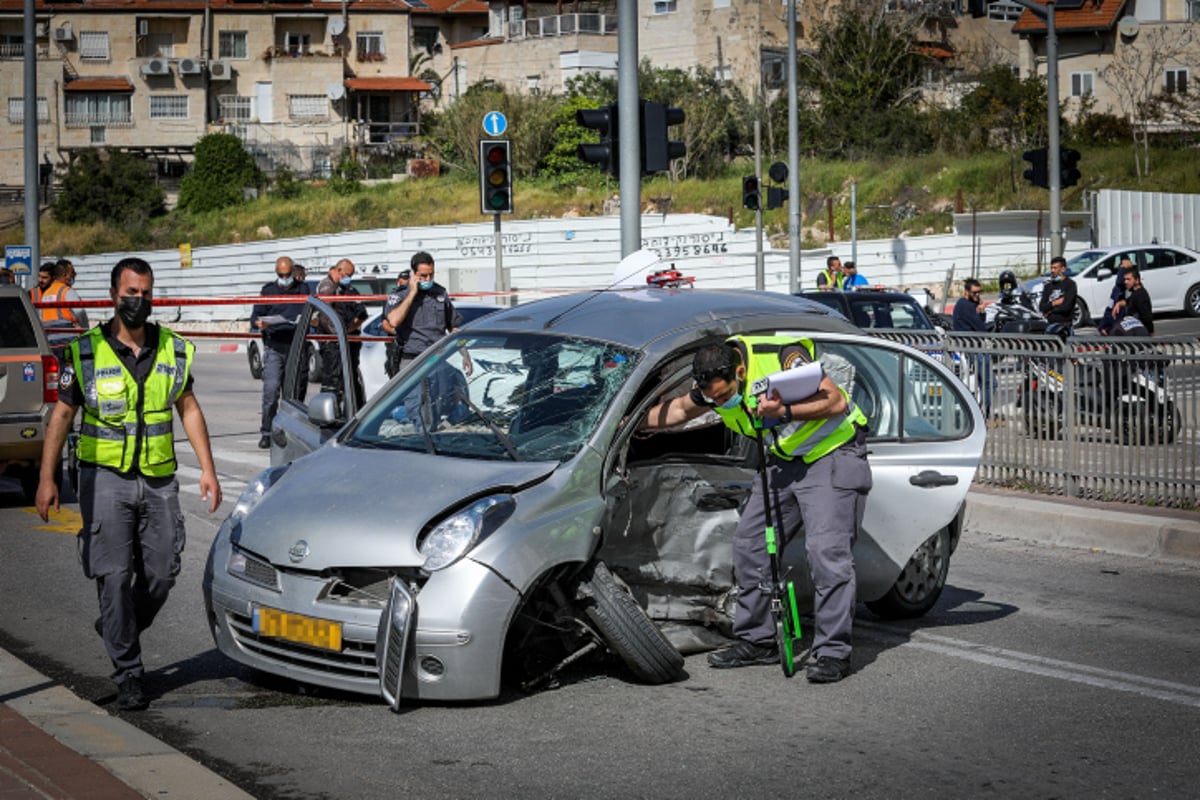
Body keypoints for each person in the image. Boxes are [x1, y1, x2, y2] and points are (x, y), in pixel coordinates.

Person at [34, 257, 222, 711]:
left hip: (158, 480)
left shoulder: (173, 350)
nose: (138, 301)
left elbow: (188, 408)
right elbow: (62, 414)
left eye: (145, 293)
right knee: (114, 577)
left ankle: (119, 625)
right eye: (130, 293)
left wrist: (208, 469)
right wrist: (47, 478)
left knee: (161, 575)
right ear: (115, 293)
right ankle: (129, 673)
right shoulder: (85, 351)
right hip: (105, 482)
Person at [640, 336, 870, 683]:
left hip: (831, 455)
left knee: (826, 554)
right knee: (750, 546)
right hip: (783, 461)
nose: (719, 402)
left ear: (741, 370)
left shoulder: (779, 358)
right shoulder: (712, 385)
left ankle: (832, 652)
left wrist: (784, 412)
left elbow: (835, 401)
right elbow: (678, 411)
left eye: (723, 394)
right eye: (713, 398)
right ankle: (758, 640)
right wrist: (622, 423)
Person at [250, 255, 311, 449]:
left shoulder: (303, 289)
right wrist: (260, 323)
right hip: (274, 345)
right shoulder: (268, 291)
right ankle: (267, 431)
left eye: (287, 275)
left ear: (293, 272)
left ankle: (291, 431)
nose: (285, 279)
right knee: (271, 391)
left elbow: (309, 314)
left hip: (295, 345)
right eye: (281, 275)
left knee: (292, 394)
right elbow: (255, 317)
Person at [383, 251, 470, 377]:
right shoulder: (400, 294)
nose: (428, 279)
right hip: (411, 360)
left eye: (431, 274)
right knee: (413, 397)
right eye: (423, 276)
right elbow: (394, 321)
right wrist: (412, 293)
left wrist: (465, 354)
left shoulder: (440, 293)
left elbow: (453, 327)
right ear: (413, 274)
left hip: (437, 358)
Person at [316, 259, 368, 409]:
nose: (349, 278)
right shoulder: (328, 287)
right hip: (334, 342)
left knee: (350, 380)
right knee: (333, 381)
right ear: (339, 271)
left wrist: (350, 329)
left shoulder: (348, 289)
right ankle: (330, 414)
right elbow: (325, 317)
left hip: (348, 339)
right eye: (347, 275)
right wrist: (340, 335)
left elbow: (361, 312)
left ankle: (354, 412)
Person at [952, 279, 994, 420]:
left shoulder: (963, 304)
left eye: (979, 292)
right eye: (975, 293)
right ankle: (985, 414)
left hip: (971, 347)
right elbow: (981, 329)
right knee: (989, 383)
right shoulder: (967, 306)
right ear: (967, 292)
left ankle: (983, 413)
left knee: (984, 383)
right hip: (974, 347)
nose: (978, 295)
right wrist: (982, 313)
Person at [41, 258, 90, 361]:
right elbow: (79, 311)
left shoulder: (46, 293)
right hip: (68, 340)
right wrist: (84, 329)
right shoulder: (67, 291)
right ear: (64, 276)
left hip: (50, 342)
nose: (74, 275)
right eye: (72, 273)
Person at [380, 268, 412, 378]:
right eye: (404, 279)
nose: (406, 282)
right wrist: (398, 332)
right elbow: (385, 323)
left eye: (408, 279)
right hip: (396, 345)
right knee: (396, 377)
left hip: (412, 344)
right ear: (398, 280)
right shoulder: (394, 298)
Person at [1039, 256, 1077, 331]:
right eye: (1051, 268)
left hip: (1064, 325)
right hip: (1050, 325)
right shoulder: (1048, 285)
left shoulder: (1070, 284)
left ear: (1063, 269)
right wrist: (1055, 303)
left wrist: (1050, 311)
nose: (1052, 271)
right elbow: (1042, 306)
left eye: (1055, 268)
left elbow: (1066, 307)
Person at [1097, 256, 1134, 335]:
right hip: (1113, 328)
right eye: (1121, 269)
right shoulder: (1117, 289)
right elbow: (1109, 307)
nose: (1126, 281)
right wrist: (1103, 325)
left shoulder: (1134, 291)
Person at [1113, 265, 1154, 335]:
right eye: (1125, 279)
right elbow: (1129, 301)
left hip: (1139, 334)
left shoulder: (1140, 295)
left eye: (1128, 279)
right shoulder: (1135, 293)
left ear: (1137, 280)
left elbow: (1147, 317)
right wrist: (1119, 304)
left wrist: (1151, 333)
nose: (1125, 282)